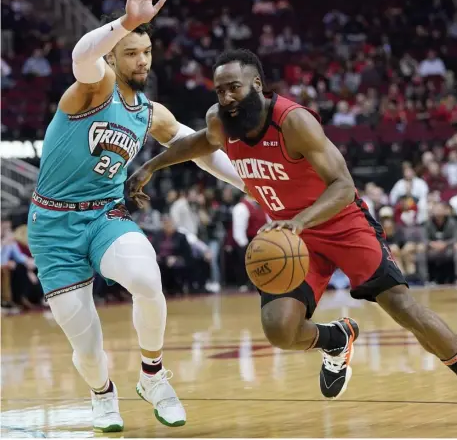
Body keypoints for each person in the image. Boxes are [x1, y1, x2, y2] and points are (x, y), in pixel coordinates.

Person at [129, 48, 457, 400]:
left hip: (341, 224)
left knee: (403, 307)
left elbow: (344, 186)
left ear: (257, 84)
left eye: (234, 88)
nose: (226, 98)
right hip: (292, 239)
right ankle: (337, 339)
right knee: (279, 329)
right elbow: (199, 143)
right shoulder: (220, 122)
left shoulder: (293, 121)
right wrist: (152, 166)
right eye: (219, 91)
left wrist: (299, 221)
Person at [27, 0, 245, 432]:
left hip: (106, 216)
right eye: (131, 51)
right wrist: (126, 21)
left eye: (146, 51)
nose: (141, 60)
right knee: (86, 346)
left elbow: (203, 151)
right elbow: (80, 54)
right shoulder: (93, 85)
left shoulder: (150, 113)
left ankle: (153, 376)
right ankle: (102, 396)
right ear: (113, 55)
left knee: (147, 279)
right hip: (52, 225)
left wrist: (258, 186)